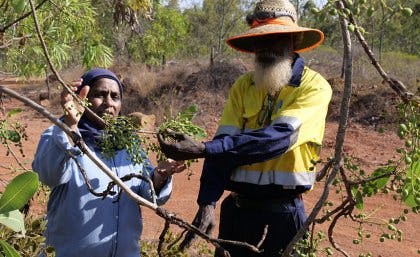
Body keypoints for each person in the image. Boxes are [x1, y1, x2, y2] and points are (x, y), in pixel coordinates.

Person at [158, 0, 332, 256]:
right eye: (260, 40)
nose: (266, 48)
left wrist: (204, 148)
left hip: (283, 214)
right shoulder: (244, 86)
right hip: (237, 212)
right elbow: (224, 144)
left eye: (276, 38)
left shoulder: (313, 87)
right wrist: (207, 202)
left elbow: (277, 139)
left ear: (292, 41)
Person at [32, 68, 185, 257]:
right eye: (100, 95)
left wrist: (159, 176)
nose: (108, 103)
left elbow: (148, 195)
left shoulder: (129, 143)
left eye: (115, 96)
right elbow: (49, 176)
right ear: (82, 97)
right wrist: (70, 127)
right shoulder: (59, 134)